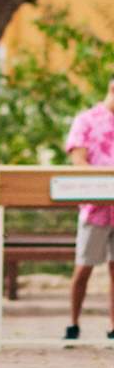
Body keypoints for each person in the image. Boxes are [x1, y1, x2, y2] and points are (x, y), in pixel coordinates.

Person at [64, 77, 114, 340]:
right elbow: (79, 162)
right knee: (84, 267)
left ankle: (113, 328)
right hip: (95, 208)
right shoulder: (86, 120)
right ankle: (73, 324)